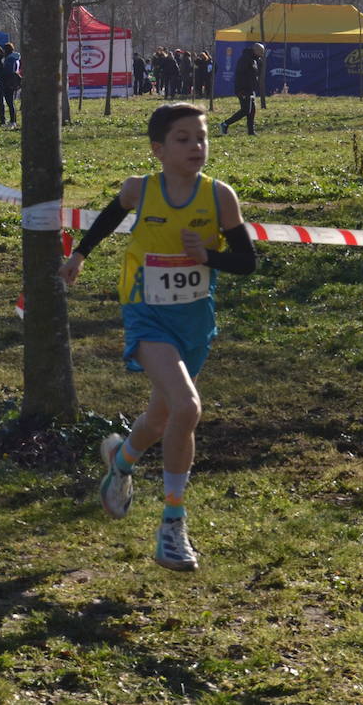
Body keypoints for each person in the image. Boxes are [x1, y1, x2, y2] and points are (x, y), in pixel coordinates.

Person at [58, 102, 256, 571]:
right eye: (184, 139)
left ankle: (121, 460)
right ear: (158, 150)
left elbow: (247, 262)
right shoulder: (139, 190)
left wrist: (208, 255)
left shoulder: (220, 197)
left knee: (163, 416)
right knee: (187, 407)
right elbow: (106, 218)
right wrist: (79, 256)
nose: (196, 147)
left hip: (194, 321)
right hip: (146, 315)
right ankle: (172, 524)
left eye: (201, 137)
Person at [220, 43, 263, 135]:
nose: (262, 54)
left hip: (250, 89)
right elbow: (240, 75)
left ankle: (251, 131)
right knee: (246, 110)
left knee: (252, 111)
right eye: (260, 52)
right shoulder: (245, 59)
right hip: (243, 89)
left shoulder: (255, 60)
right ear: (255, 50)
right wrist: (242, 89)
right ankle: (225, 124)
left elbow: (254, 74)